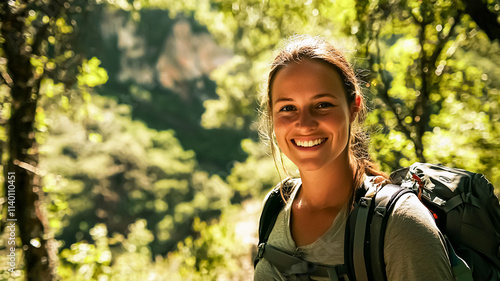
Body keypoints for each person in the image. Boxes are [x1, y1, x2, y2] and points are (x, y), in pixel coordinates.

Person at [253, 35, 454, 280]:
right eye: (287, 108)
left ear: (354, 107)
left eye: (323, 104)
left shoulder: (400, 223)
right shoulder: (275, 206)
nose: (304, 124)